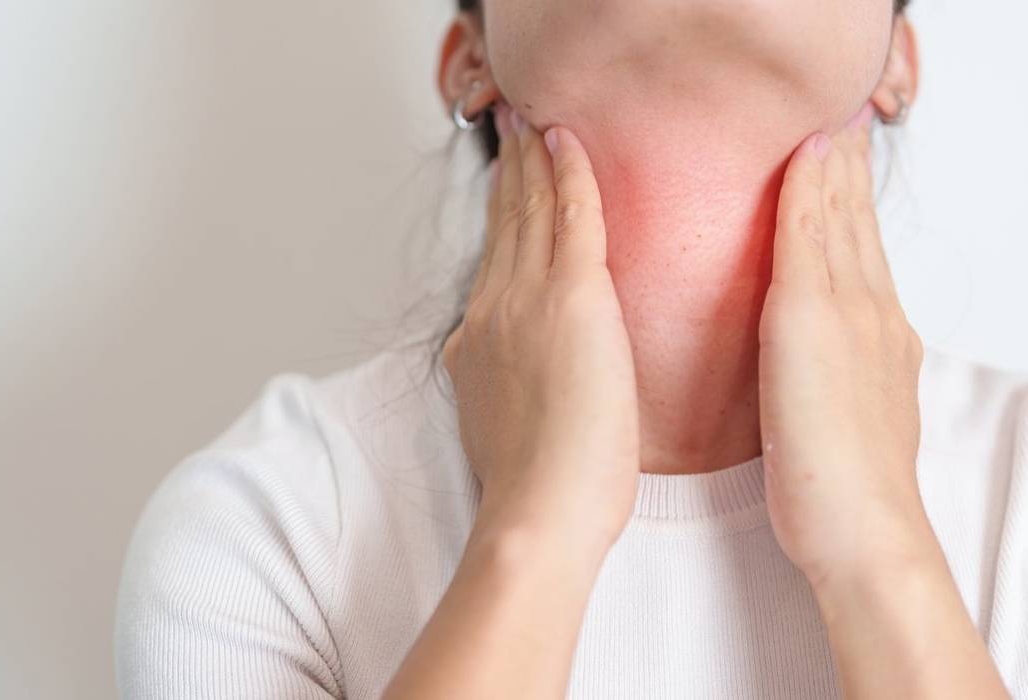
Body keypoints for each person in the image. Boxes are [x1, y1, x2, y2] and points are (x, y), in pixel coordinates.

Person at [114, 1, 1027, 697]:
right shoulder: (266, 532)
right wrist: (533, 530)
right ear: (470, 58)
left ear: (894, 64)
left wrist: (880, 548)